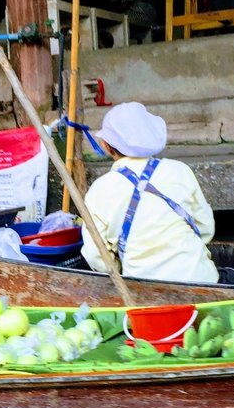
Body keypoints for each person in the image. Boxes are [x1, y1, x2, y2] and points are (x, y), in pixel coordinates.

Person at [80, 103, 221, 284]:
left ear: (106, 146)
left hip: (142, 289)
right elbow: (205, 227)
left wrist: (120, 270)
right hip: (200, 279)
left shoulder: (100, 190)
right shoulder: (179, 170)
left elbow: (96, 255)